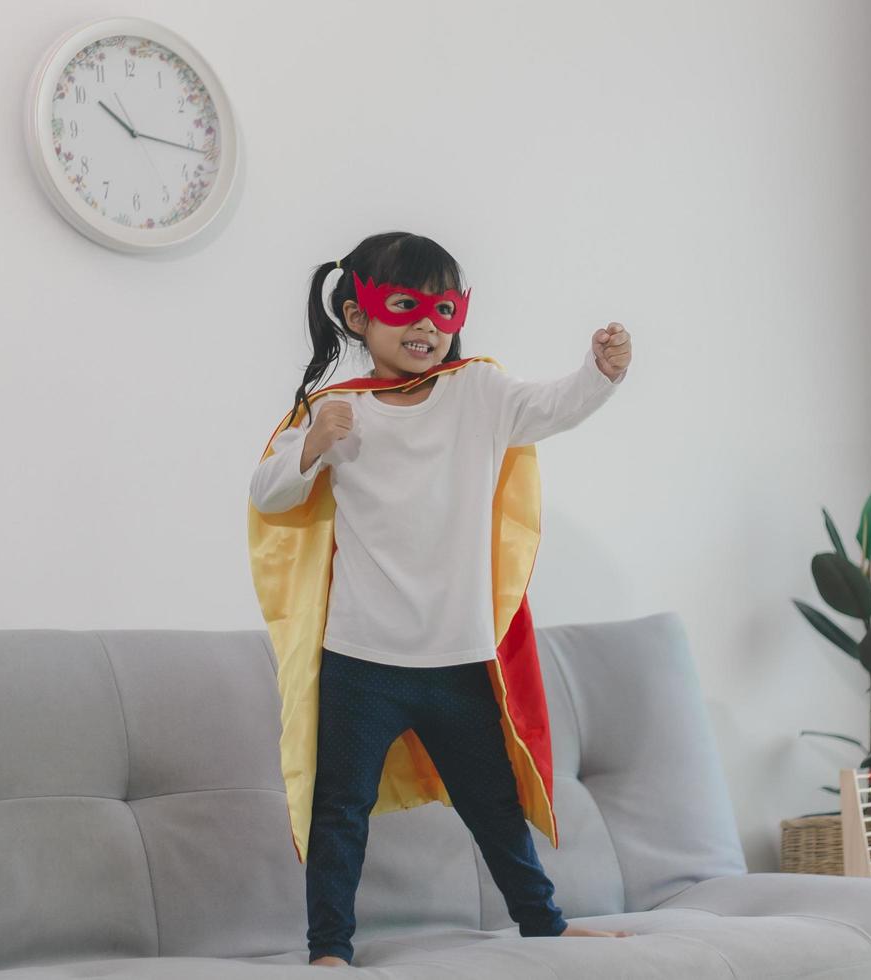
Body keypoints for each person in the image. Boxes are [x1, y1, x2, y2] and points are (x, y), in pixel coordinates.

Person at [246, 231, 635, 967]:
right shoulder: (336, 409)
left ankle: (544, 926)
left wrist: (599, 373)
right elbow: (266, 494)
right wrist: (309, 446)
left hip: (457, 659)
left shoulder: (479, 394)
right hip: (360, 661)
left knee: (493, 806)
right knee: (340, 812)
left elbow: (553, 407)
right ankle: (328, 949)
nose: (428, 326)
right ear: (357, 316)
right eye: (405, 307)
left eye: (444, 309)